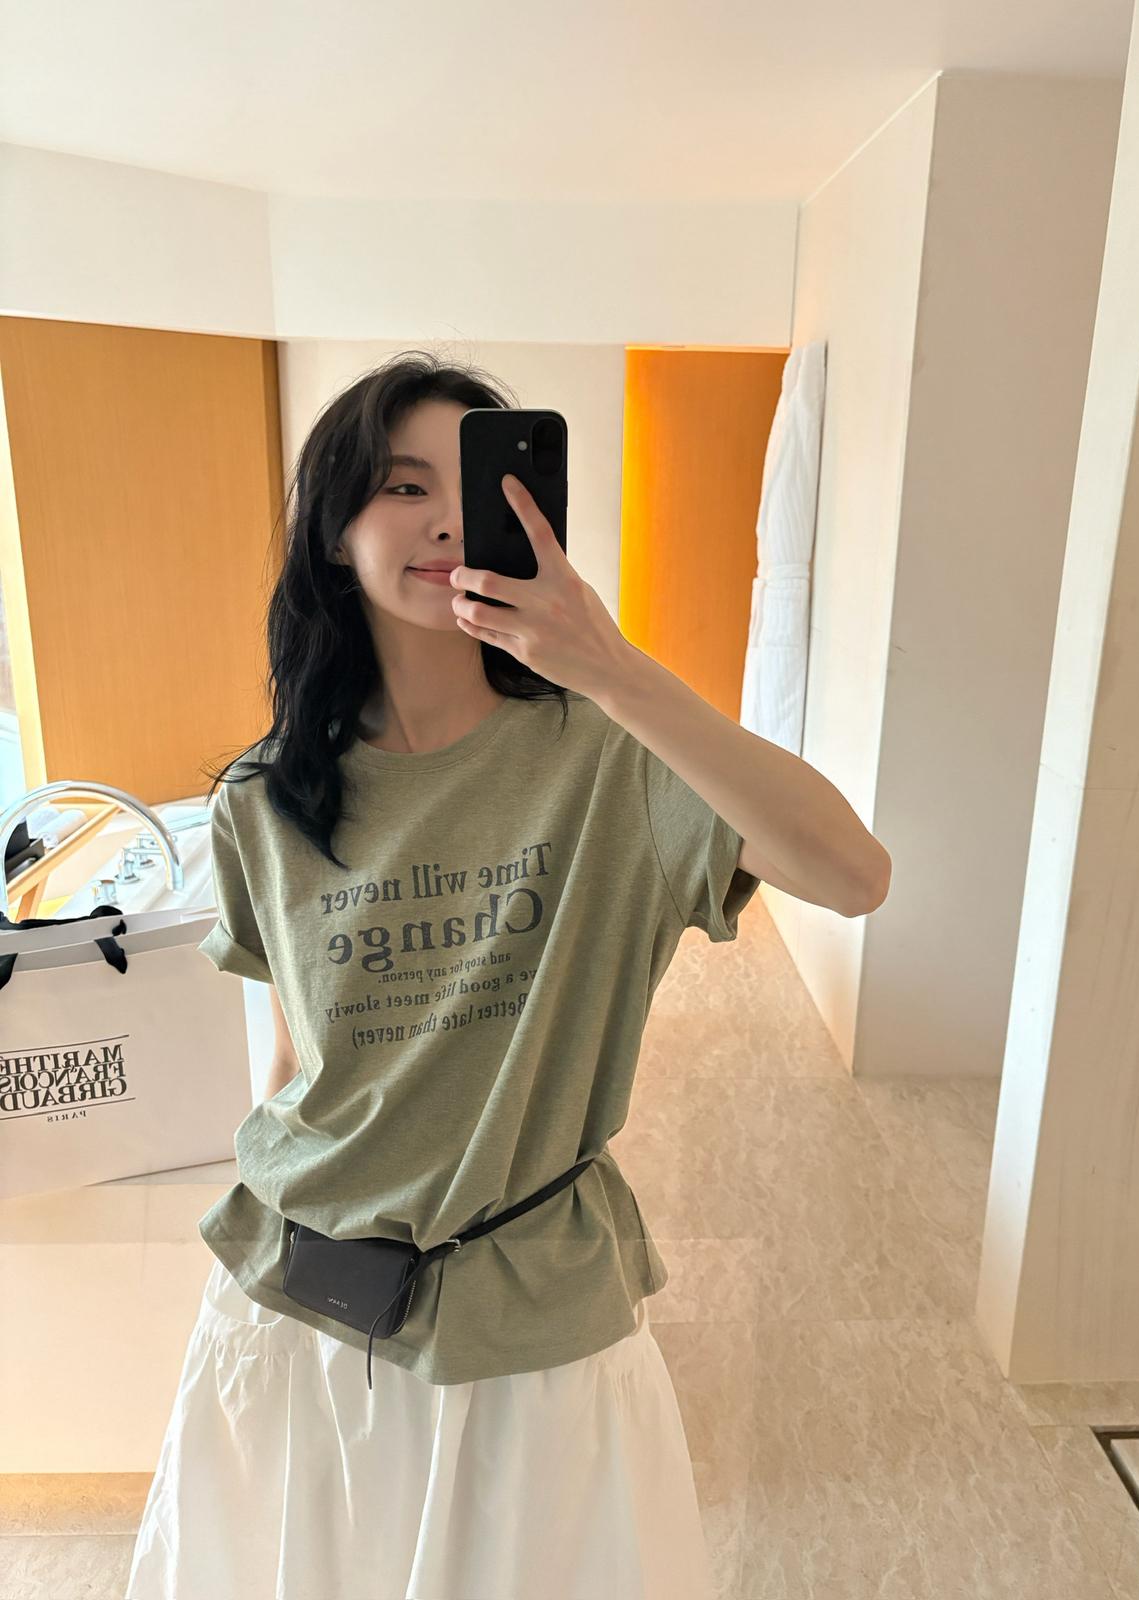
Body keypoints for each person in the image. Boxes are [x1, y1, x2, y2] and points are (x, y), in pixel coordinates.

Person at [124, 348, 761, 1600]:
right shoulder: (264, 799)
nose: (446, 522)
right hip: (304, 1304)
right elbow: (296, 1056)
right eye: (404, 486)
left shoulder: (607, 753)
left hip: (532, 1308)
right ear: (335, 529)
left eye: (474, 490)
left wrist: (614, 666)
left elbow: (855, 873)